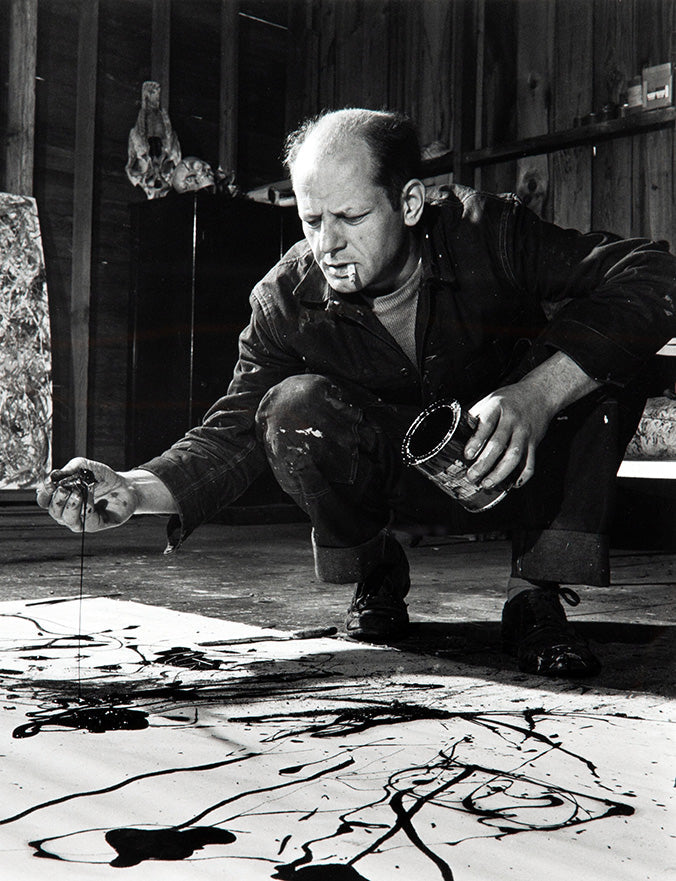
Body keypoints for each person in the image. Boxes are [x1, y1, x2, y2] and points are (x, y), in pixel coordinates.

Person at [38, 108, 676, 678]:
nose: (328, 244)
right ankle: (376, 571)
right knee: (291, 407)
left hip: (513, 460)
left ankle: (532, 593)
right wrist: (131, 487)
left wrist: (538, 394)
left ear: (411, 201)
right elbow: (231, 430)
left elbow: (653, 273)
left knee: (606, 364)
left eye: (350, 217)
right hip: (393, 479)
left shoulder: (490, 231)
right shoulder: (285, 296)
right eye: (311, 219)